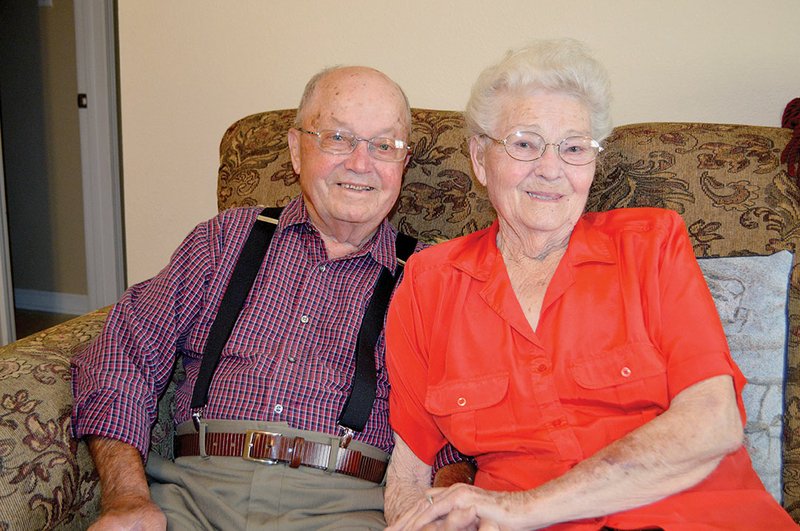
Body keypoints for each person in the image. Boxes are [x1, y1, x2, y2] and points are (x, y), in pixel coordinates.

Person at [383, 39, 799, 530]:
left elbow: (713, 422)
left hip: (696, 518)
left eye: (575, 148)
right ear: (479, 157)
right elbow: (408, 474)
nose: (551, 169)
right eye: (524, 143)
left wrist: (527, 508)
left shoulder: (652, 245)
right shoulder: (430, 281)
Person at [71, 65, 467, 530]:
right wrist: (125, 496)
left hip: (345, 508)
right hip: (195, 496)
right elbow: (123, 352)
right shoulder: (221, 241)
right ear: (297, 150)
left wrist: (444, 506)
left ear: (403, 162)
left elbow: (459, 423)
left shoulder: (430, 277)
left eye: (384, 145)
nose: (361, 163)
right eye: (338, 137)